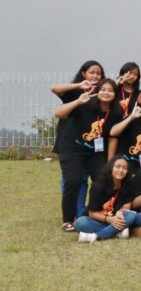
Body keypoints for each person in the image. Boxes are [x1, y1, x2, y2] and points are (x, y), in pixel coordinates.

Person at [51, 60, 105, 230]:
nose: (95, 76)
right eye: (91, 72)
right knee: (73, 180)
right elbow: (55, 89)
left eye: (98, 73)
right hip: (71, 147)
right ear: (83, 74)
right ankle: (68, 219)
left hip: (94, 149)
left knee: (103, 178)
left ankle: (92, 213)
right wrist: (79, 88)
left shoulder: (102, 93)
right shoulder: (75, 91)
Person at [75, 157, 141, 243]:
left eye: (124, 168)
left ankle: (97, 236)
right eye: (118, 166)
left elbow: (127, 207)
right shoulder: (98, 186)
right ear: (111, 167)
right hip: (98, 220)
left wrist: (120, 212)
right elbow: (92, 213)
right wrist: (110, 220)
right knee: (80, 222)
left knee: (131, 216)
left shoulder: (128, 184)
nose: (121, 170)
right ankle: (121, 232)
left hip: (118, 219)